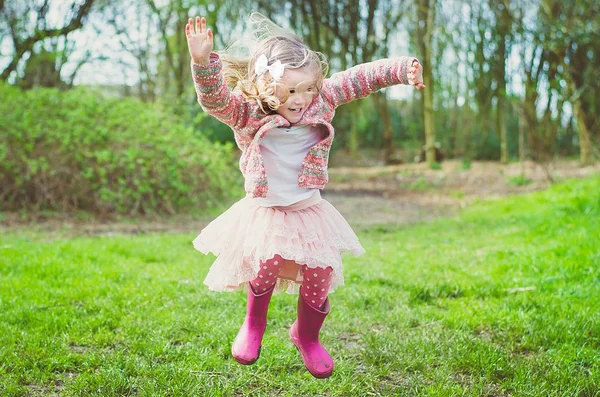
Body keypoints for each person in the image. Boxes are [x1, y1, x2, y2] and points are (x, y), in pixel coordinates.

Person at [185, 13, 425, 379]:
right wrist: (203, 62)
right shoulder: (247, 111)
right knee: (266, 262)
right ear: (266, 86)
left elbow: (362, 77)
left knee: (320, 270)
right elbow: (216, 100)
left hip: (308, 208)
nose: (301, 99)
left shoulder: (323, 101)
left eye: (308, 88)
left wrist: (402, 67)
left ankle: (306, 336)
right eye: (291, 91)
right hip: (266, 209)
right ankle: (254, 324)